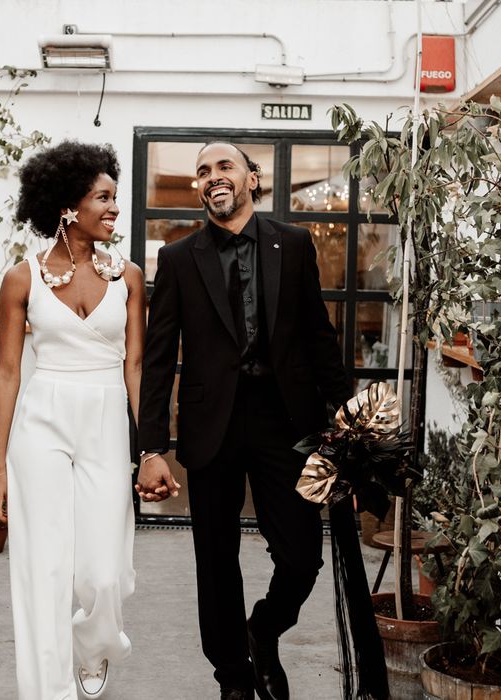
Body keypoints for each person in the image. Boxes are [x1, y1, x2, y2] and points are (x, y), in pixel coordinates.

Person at [136, 142, 351, 700]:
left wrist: (348, 414)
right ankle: (233, 677)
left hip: (286, 423)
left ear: (251, 179)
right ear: (198, 189)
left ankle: (264, 629)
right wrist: (151, 446)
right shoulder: (180, 259)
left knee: (303, 555)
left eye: (224, 166)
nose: (213, 177)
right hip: (213, 427)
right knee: (215, 562)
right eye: (202, 171)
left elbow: (319, 338)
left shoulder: (295, 244)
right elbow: (158, 359)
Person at [0, 140, 145, 700]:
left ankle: (94, 644)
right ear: (66, 206)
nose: (113, 209)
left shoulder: (128, 277)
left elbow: (134, 366)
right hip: (43, 421)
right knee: (42, 569)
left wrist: (147, 448)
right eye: (103, 198)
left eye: (113, 197)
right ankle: (46, 691)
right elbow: (6, 372)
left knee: (104, 573)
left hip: (104, 418)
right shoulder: (21, 279)